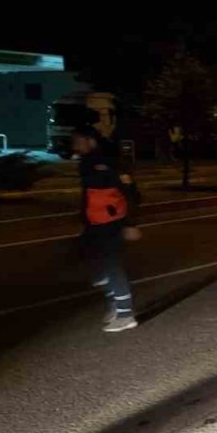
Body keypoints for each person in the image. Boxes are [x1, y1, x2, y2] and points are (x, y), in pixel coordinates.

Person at [73, 125, 142, 332]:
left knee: (112, 266)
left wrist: (131, 223)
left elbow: (130, 193)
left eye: (78, 140)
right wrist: (83, 221)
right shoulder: (86, 162)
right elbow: (88, 195)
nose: (74, 145)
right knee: (96, 267)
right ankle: (115, 302)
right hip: (94, 223)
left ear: (90, 140)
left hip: (112, 223)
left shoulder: (109, 162)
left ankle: (125, 313)